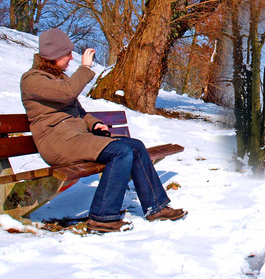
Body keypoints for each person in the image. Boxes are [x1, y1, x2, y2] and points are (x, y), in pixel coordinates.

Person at [20, 29, 186, 233]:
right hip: (58, 143)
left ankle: (156, 207)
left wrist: (94, 124)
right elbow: (67, 94)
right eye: (67, 53)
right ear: (53, 56)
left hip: (75, 138)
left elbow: (79, 111)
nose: (71, 57)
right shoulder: (32, 80)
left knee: (135, 146)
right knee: (121, 152)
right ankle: (103, 218)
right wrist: (85, 68)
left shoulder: (60, 79)